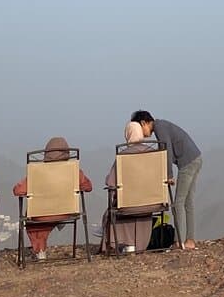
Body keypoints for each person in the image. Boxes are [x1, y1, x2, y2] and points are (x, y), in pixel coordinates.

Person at [12, 136, 93, 261]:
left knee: (34, 222)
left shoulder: (38, 172)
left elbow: (18, 191)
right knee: (47, 217)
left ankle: (40, 251)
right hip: (66, 210)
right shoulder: (74, 170)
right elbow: (88, 186)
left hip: (42, 214)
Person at [131, 110, 202, 250]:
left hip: (187, 162)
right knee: (188, 202)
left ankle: (178, 241)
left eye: (140, 127)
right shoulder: (162, 126)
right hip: (196, 158)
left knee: (178, 203)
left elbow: (166, 151)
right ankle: (190, 240)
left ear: (144, 123)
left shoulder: (160, 128)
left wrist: (169, 175)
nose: (142, 133)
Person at [99, 121, 157, 254]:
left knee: (112, 210)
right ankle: (140, 243)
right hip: (151, 203)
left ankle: (125, 243)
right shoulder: (154, 153)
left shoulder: (123, 156)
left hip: (128, 205)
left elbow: (111, 183)